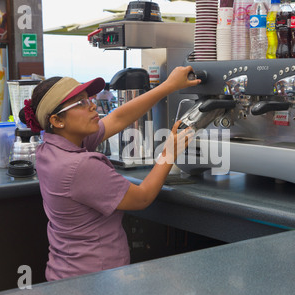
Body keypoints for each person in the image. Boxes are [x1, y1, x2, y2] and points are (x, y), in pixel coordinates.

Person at [19, 66, 200, 281]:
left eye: (90, 99)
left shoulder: (50, 148)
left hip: (64, 274)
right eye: (82, 103)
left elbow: (117, 119)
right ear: (57, 120)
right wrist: (169, 153)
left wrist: (168, 86)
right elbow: (142, 198)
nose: (93, 105)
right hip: (95, 281)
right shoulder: (79, 166)